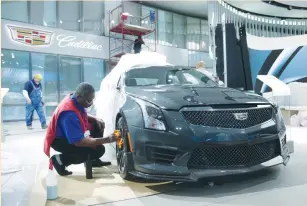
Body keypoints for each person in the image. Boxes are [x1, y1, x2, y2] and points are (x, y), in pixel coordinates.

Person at [43, 82, 119, 176]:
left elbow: (80, 112)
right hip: (59, 140)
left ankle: (93, 160)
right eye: (88, 101)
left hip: (68, 133)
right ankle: (60, 160)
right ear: (79, 97)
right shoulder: (69, 114)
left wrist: (95, 118)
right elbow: (79, 142)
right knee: (98, 150)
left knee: (98, 123)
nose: (90, 104)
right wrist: (107, 139)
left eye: (92, 100)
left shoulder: (74, 99)